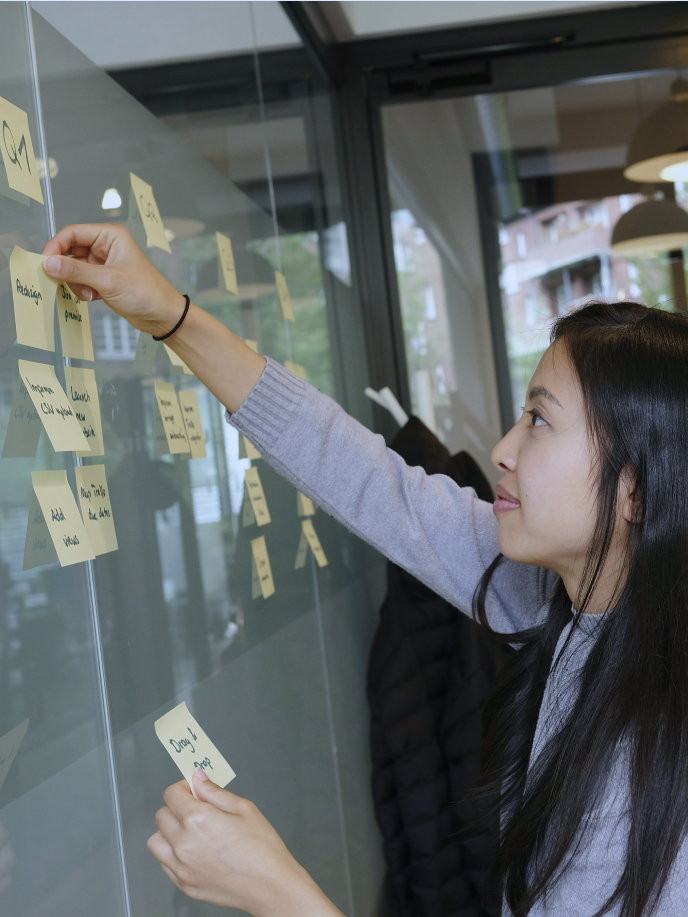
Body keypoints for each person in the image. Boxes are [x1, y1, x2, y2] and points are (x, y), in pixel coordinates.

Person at [41, 223, 688, 917]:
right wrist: (170, 313)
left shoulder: (656, 745)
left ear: (635, 491)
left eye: (538, 420)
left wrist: (275, 890)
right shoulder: (555, 595)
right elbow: (363, 475)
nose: (501, 449)